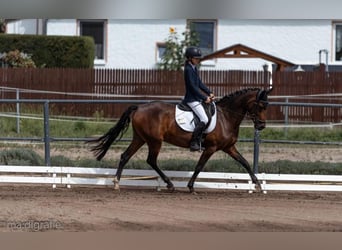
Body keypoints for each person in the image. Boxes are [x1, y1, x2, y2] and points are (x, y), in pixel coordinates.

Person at [183, 46, 214, 151]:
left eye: (198, 59)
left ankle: (201, 140)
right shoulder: (188, 69)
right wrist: (204, 97)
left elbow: (199, 83)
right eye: (196, 58)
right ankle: (194, 142)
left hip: (197, 99)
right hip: (191, 99)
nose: (198, 60)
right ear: (190, 58)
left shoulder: (194, 67)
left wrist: (209, 92)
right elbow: (192, 86)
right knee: (204, 119)